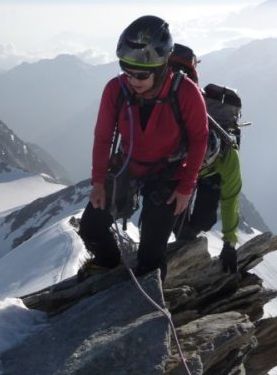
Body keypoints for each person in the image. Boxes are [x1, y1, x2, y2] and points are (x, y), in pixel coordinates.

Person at [78, 16, 208, 281]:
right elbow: (103, 137)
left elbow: (199, 139)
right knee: (91, 228)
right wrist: (99, 183)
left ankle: (148, 303)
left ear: (161, 67)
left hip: (167, 174)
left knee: (152, 253)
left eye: (140, 74)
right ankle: (110, 265)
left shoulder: (185, 92)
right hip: (128, 165)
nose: (132, 80)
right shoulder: (116, 90)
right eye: (126, 70)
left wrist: (185, 187)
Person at [168, 43, 242, 273]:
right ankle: (184, 248)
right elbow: (229, 197)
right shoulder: (183, 136)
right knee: (177, 216)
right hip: (183, 167)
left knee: (202, 220)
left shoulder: (228, 154)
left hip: (191, 169)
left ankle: (185, 248)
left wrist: (230, 243)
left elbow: (231, 199)